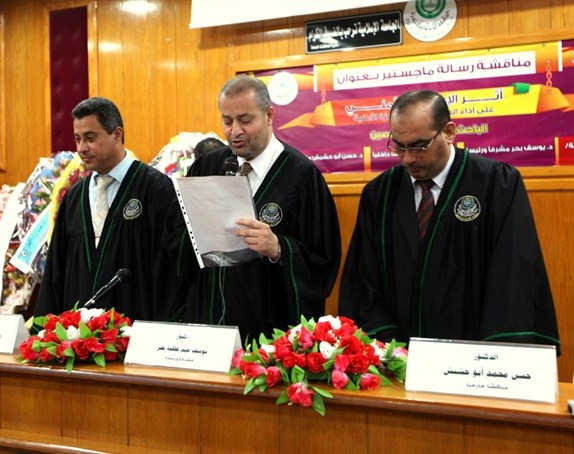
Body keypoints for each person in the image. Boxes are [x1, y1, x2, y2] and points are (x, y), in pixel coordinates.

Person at [339, 89, 560, 352]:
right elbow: (364, 282)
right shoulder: (379, 194)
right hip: (398, 357)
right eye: (399, 146)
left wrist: (491, 355)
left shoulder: (496, 185)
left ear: (449, 132)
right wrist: (392, 349)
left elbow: (513, 276)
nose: (408, 158)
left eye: (419, 146)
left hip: (474, 357)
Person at [178, 75, 341, 341]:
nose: (235, 131)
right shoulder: (207, 167)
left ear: (269, 115)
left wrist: (279, 248)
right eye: (227, 121)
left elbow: (322, 259)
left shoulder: (302, 176)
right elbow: (179, 243)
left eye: (245, 120)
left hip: (267, 328)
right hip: (209, 322)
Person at [35, 97, 183, 322]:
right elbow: (55, 275)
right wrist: (46, 330)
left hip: (135, 331)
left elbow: (170, 274)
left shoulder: (156, 189)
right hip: (78, 337)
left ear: (117, 134)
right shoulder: (74, 198)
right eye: (77, 139)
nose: (81, 148)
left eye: (90, 138)